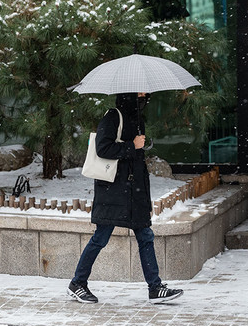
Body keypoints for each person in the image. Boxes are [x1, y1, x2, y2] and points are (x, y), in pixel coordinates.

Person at [68, 93, 184, 304]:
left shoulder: (139, 119)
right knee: (100, 238)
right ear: (128, 93)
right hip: (113, 191)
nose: (143, 96)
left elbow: (135, 157)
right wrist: (132, 146)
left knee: (145, 236)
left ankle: (155, 287)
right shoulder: (113, 117)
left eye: (144, 93)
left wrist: (137, 147)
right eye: (138, 93)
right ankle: (77, 283)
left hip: (134, 191)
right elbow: (103, 148)